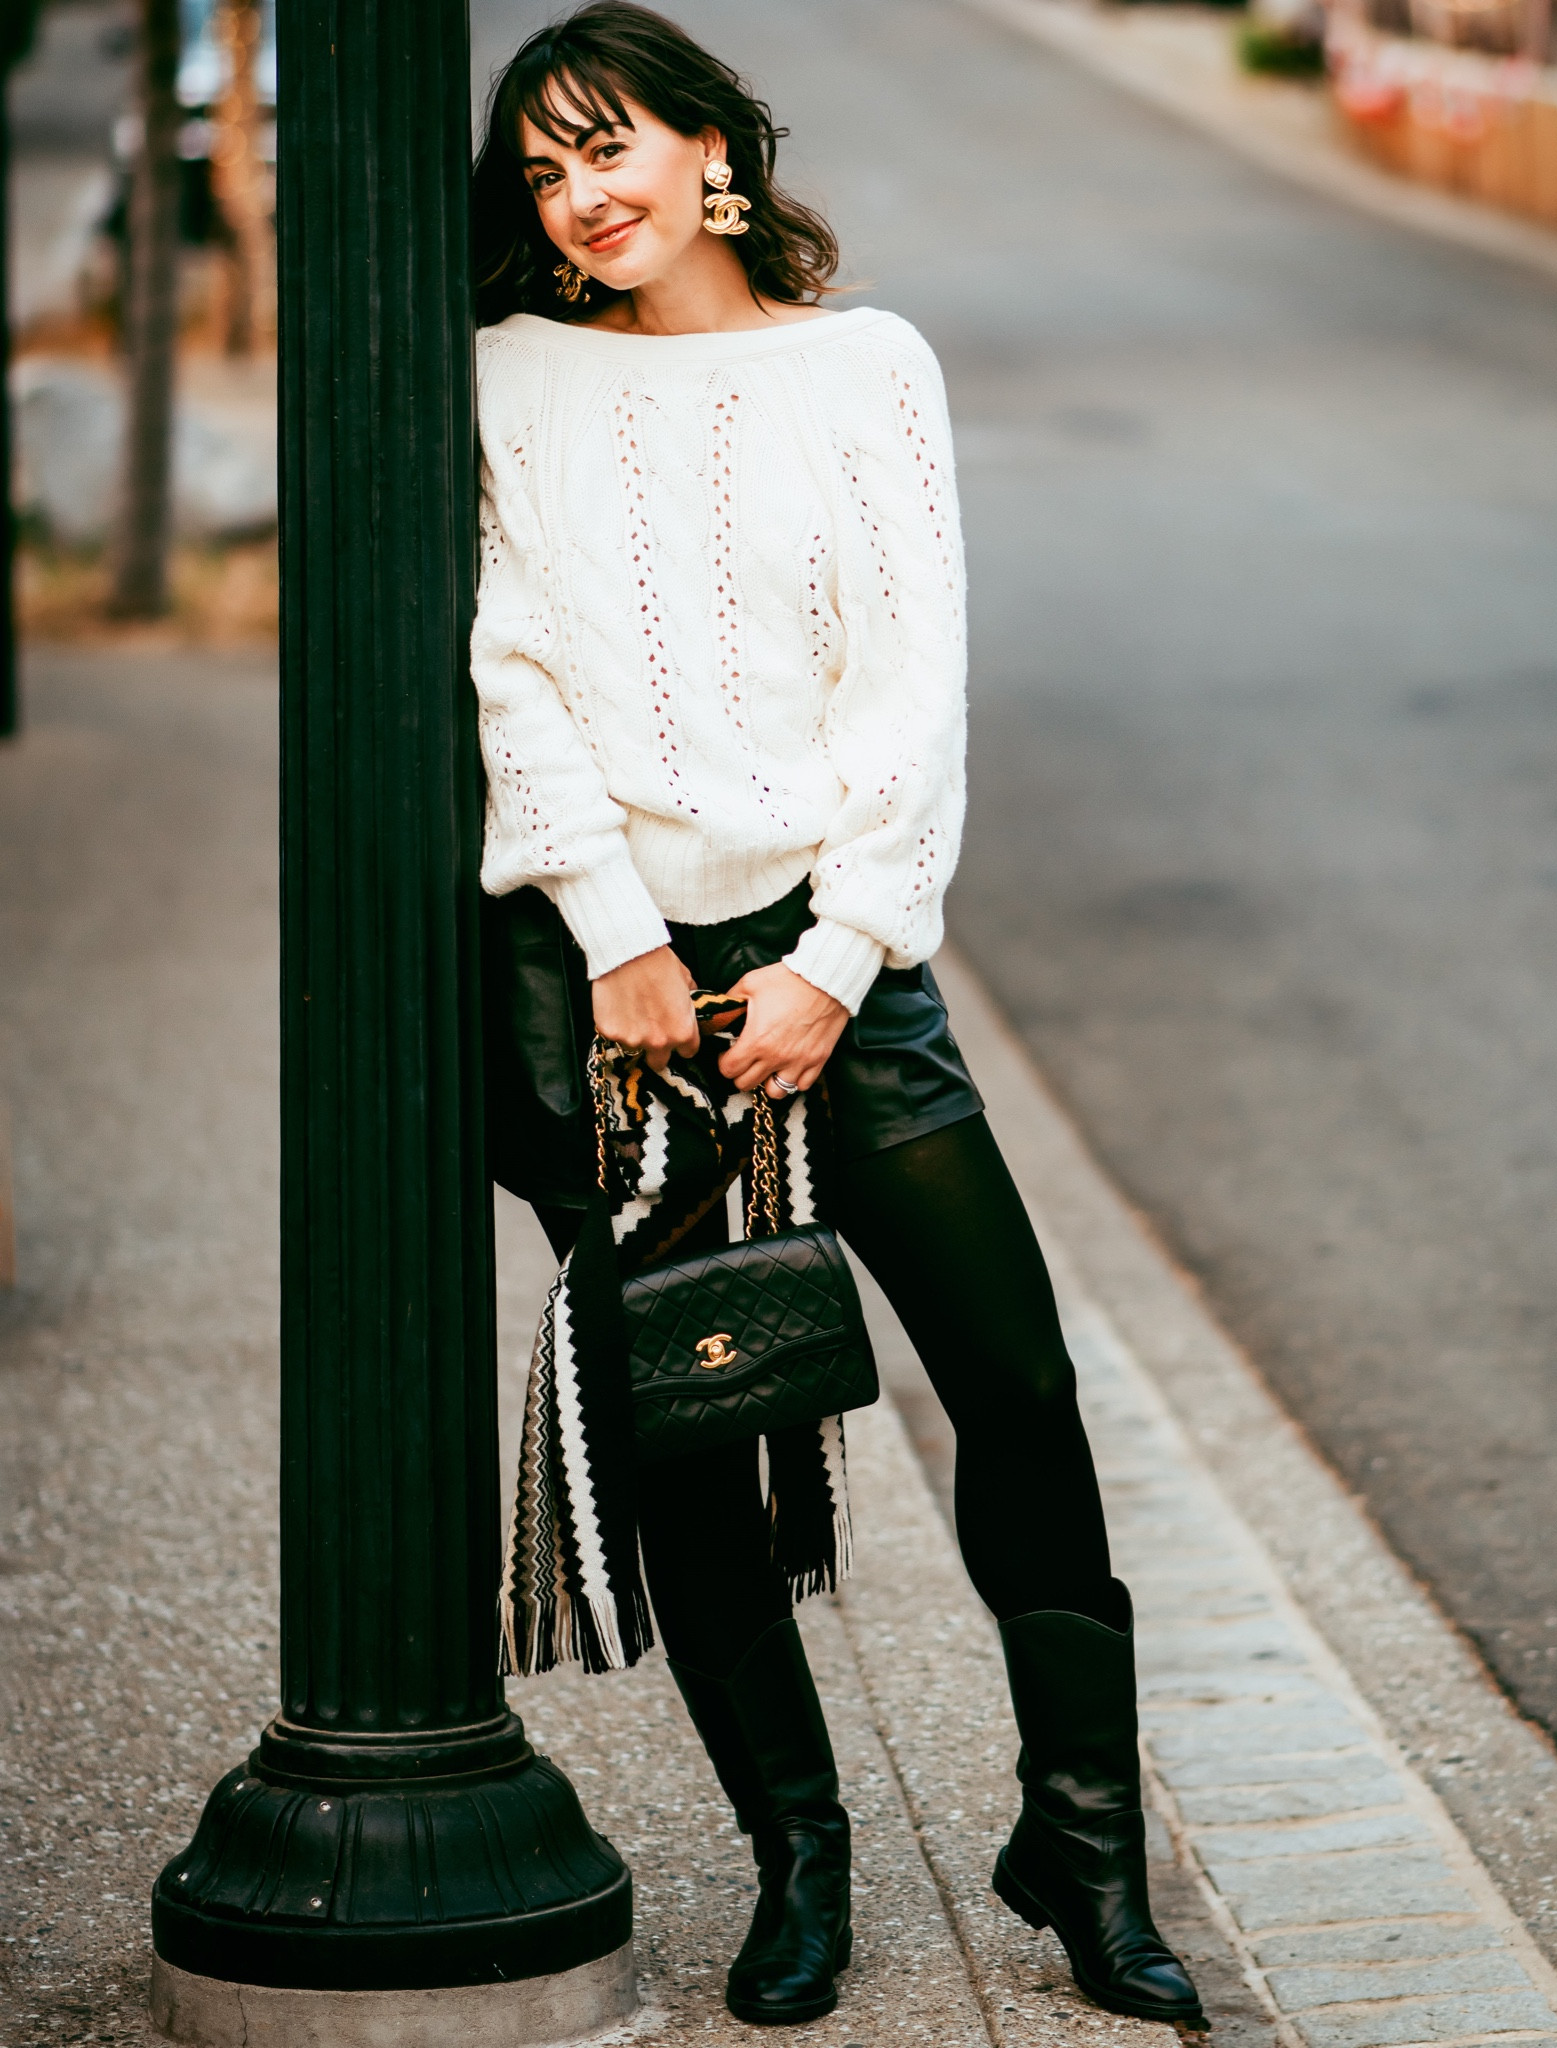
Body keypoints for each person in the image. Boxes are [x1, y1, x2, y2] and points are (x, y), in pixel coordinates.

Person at [468, 4, 1202, 2031]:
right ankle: (803, 1859)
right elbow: (505, 668)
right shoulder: (507, 381)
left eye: (608, 144)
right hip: (613, 997)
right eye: (540, 169)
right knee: (701, 1423)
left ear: (716, 148)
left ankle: (1082, 1842)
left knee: (1016, 1383)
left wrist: (838, 951)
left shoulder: (865, 369)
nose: (580, 195)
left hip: (835, 968)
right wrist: (618, 935)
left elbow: (913, 683)